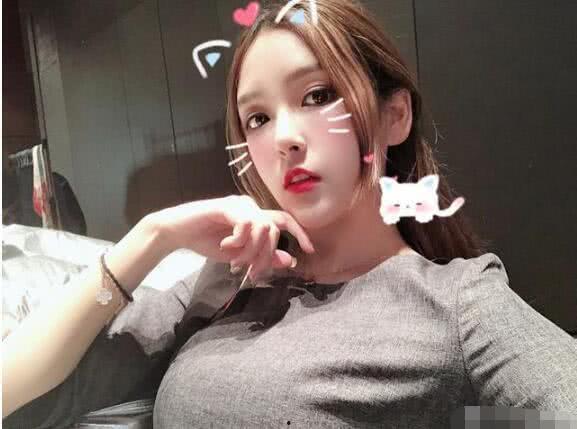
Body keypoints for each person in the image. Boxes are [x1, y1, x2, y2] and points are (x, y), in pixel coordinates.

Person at [3, 0, 576, 427]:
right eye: (257, 118)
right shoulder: (228, 281)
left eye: (317, 95)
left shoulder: (455, 304)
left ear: (394, 116)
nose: (284, 138)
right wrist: (152, 236)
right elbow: (17, 395)